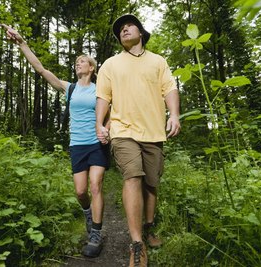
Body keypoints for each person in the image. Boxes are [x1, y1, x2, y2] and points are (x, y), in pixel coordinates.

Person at [1, 24, 110, 258]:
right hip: (77, 145)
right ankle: (88, 215)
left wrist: (106, 129)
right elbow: (40, 69)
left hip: (96, 143)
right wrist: (22, 43)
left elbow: (112, 113)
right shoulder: (69, 88)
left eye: (82, 61)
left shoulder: (101, 89)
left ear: (91, 67)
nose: (77, 63)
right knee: (81, 192)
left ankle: (96, 235)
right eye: (76, 61)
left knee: (95, 185)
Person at [95, 14, 181, 267]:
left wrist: (174, 114)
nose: (124, 30)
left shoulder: (158, 61)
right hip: (123, 131)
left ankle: (149, 226)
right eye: (120, 29)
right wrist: (100, 124)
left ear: (141, 32)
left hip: (154, 131)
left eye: (129, 26)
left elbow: (170, 89)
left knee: (151, 184)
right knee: (132, 177)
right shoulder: (110, 65)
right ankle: (137, 244)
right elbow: (103, 97)